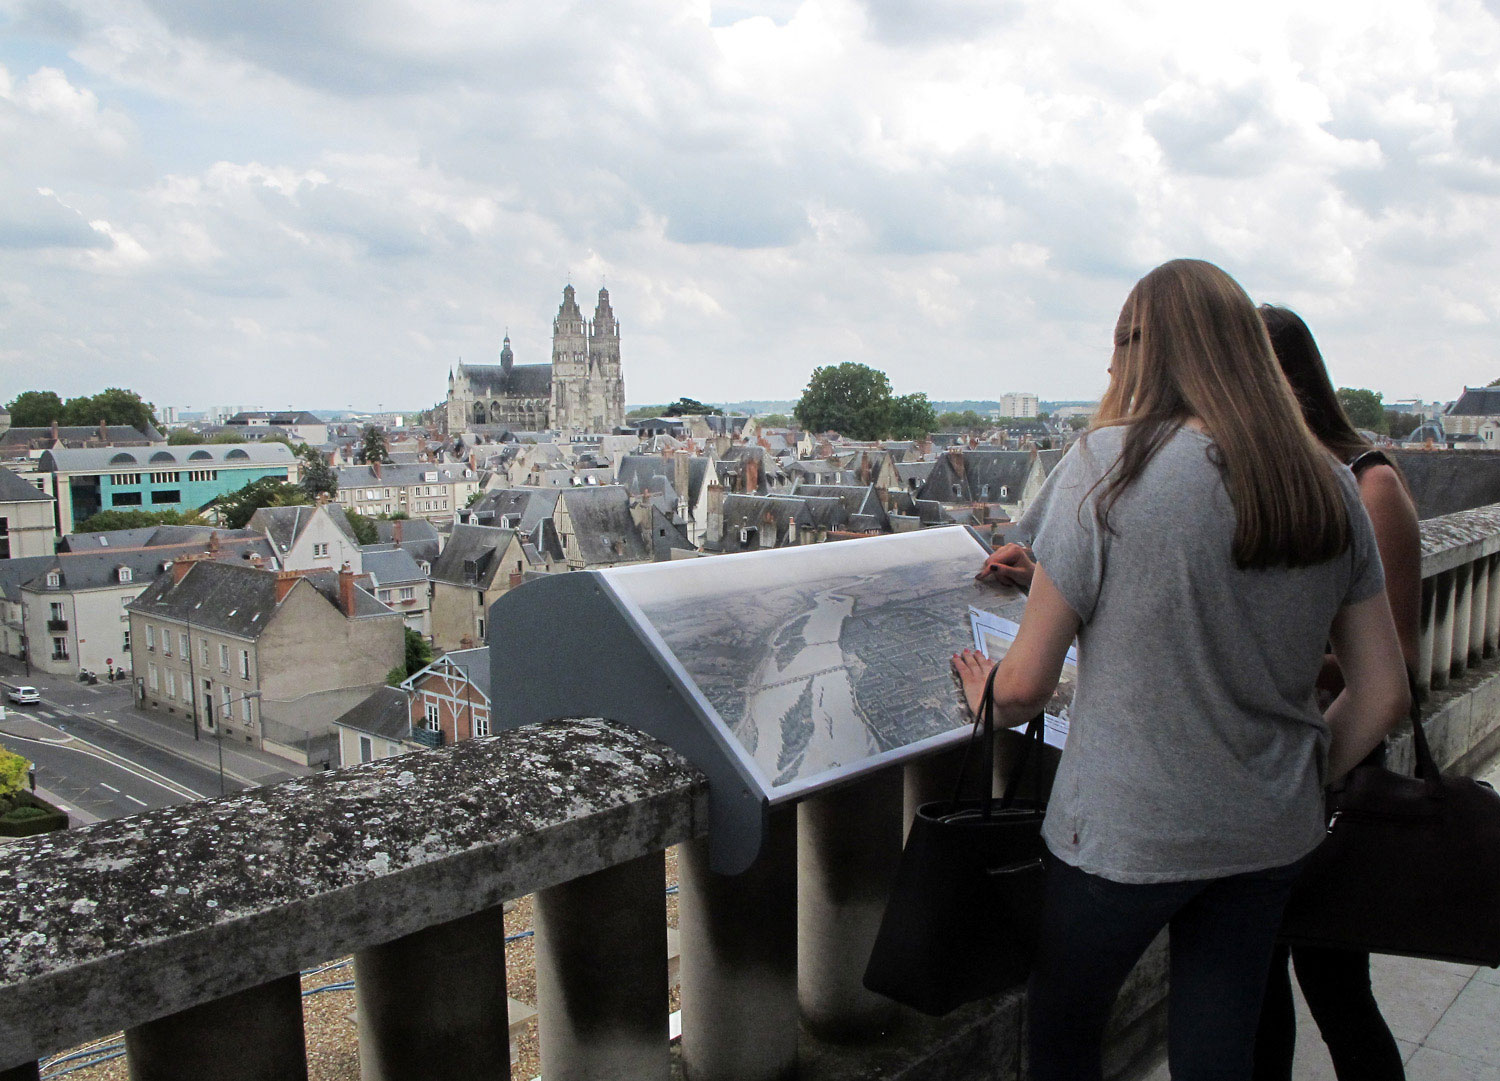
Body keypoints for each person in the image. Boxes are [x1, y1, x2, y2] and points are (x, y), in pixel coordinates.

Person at [951, 258, 1410, 1081]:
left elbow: (1022, 689)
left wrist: (986, 689)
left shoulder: (1104, 465)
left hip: (1124, 833)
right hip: (1265, 830)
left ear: (1145, 351)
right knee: (1218, 1051)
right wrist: (1304, 775)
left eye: (1119, 346)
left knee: (1062, 1036)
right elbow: (1382, 694)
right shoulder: (1329, 484)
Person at [1250, 305, 1421, 1081]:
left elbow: (1392, 661)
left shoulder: (1370, 483)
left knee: (1335, 985)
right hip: (1265, 762)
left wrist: (1265, 653)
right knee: (1256, 986)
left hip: (1337, 759)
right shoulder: (1270, 481)